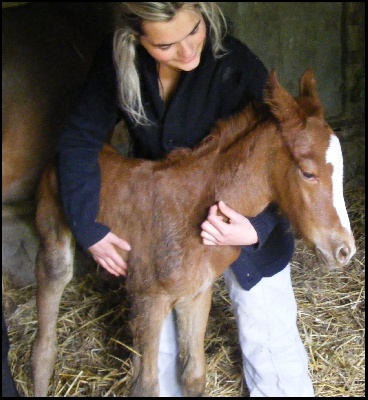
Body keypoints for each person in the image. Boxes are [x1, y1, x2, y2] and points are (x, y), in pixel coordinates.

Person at [57, 2, 315, 397]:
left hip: (240, 219)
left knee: (267, 333)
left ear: (203, 12)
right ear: (136, 39)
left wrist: (257, 229)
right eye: (165, 45)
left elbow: (286, 154)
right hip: (169, 220)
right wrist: (87, 226)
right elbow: (80, 139)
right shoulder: (117, 63)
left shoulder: (235, 63)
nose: (186, 50)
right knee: (156, 342)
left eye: (194, 30)